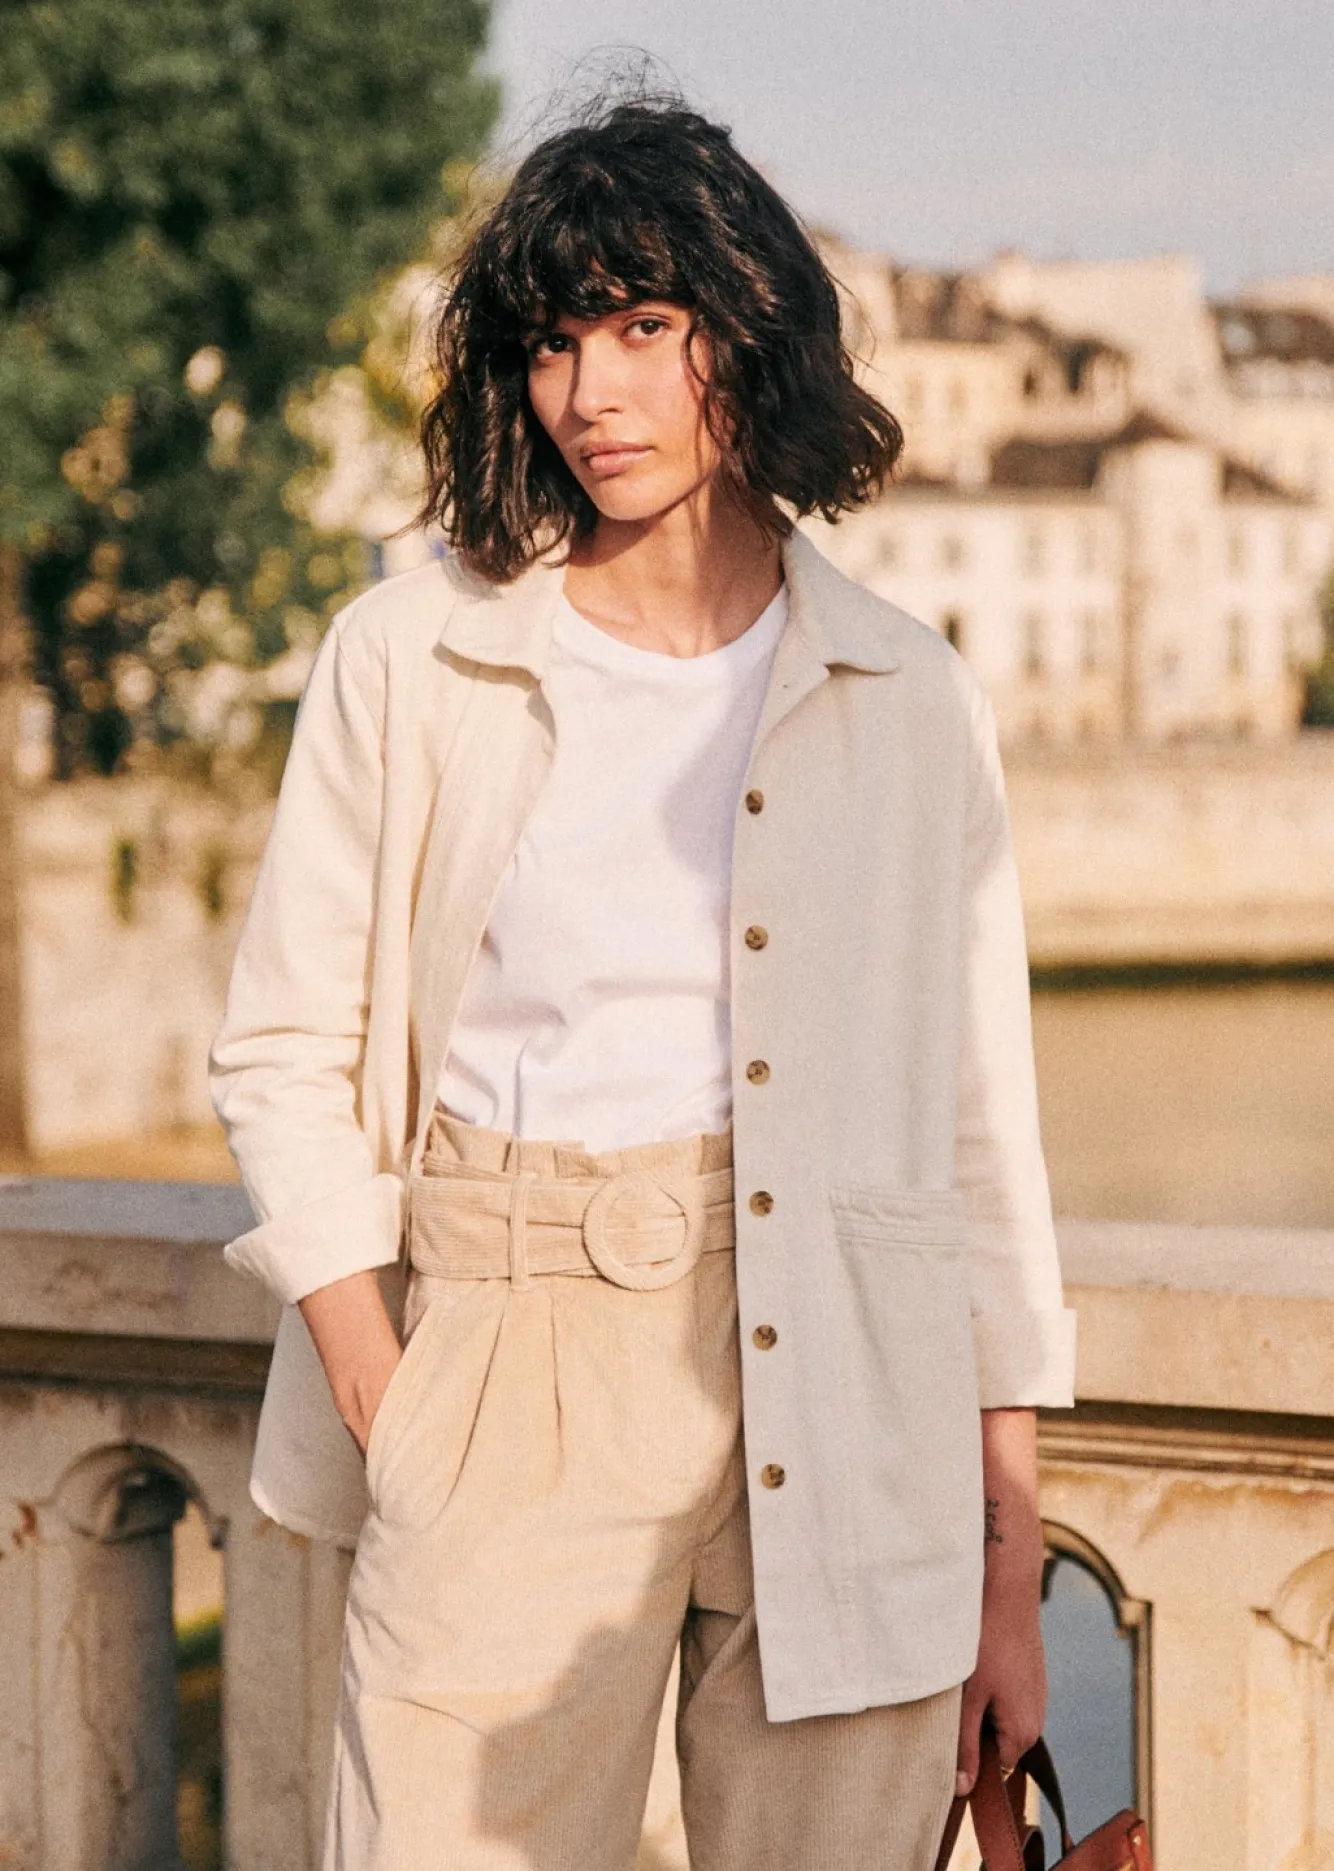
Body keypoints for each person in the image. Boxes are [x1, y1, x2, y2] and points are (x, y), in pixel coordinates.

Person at [209, 93, 1077, 1871]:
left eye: (639, 327)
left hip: (852, 1376)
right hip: (512, 1350)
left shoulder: (910, 693)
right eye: (550, 342)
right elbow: (282, 1047)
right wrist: (391, 1389)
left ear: (744, 330)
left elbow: (981, 1141)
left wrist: (1008, 1564)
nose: (588, 393)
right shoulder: (413, 656)